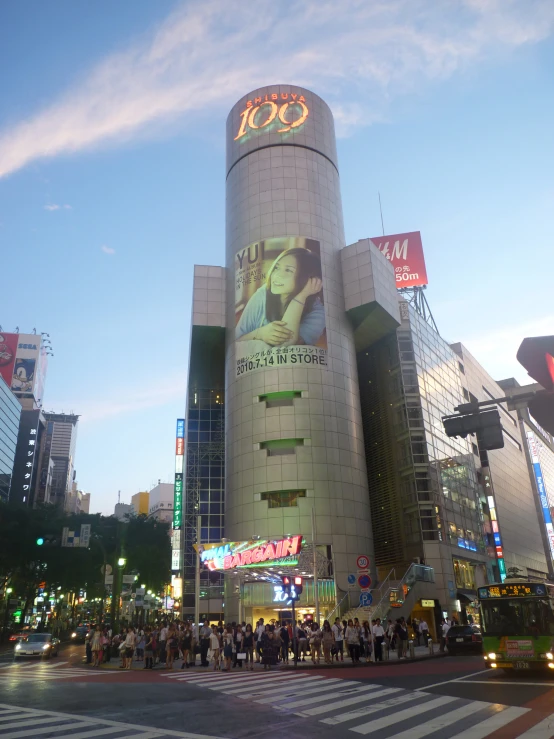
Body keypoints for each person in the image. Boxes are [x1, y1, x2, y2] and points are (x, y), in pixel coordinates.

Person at [236, 247, 325, 348]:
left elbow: (285, 345)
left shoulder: (317, 313)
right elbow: (236, 342)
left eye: (288, 270)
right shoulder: (262, 295)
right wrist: (259, 334)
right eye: (276, 268)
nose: (277, 275)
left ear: (308, 279)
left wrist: (301, 297)